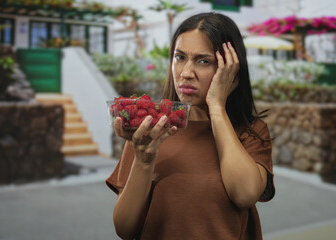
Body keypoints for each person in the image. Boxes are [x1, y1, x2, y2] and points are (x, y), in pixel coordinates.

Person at [106, 12, 275, 240]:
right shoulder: (151, 130)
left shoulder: (251, 131)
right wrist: (144, 160)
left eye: (203, 61)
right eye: (179, 57)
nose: (186, 73)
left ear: (231, 69)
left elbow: (245, 194)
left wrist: (216, 107)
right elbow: (125, 229)